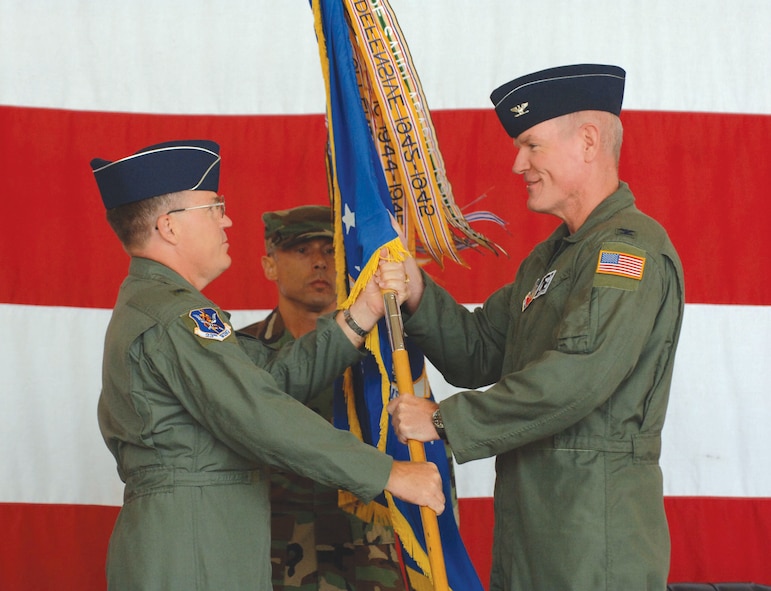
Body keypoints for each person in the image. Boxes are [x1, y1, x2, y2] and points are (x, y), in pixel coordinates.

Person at [89, 139, 444, 591]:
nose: (227, 218)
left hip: (203, 534)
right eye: (214, 207)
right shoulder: (172, 316)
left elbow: (269, 381)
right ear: (170, 227)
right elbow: (258, 411)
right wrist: (389, 474)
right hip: (195, 542)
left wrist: (361, 314)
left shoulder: (163, 307)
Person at [387, 64, 685, 590]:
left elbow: (578, 377)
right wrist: (416, 293)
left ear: (588, 142)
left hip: (593, 534)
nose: (517, 163)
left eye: (532, 145)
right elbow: (480, 351)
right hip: (536, 527)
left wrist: (444, 422)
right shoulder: (553, 258)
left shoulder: (625, 251)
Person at [240, 204, 414, 590]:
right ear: (270, 265)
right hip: (276, 554)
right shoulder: (243, 353)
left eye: (329, 250)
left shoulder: (386, 357)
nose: (319, 263)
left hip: (369, 555)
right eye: (301, 250)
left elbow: (424, 451)